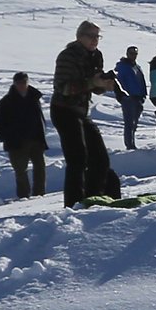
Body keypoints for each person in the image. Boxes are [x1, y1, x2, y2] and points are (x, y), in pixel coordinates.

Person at [52, 21, 120, 207]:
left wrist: (103, 85)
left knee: (100, 158)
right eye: (90, 36)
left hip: (81, 111)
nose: (94, 40)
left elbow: (94, 86)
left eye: (97, 36)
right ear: (79, 36)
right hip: (63, 109)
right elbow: (64, 88)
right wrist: (93, 83)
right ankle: (73, 204)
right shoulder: (68, 56)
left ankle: (94, 198)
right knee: (77, 159)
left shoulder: (96, 56)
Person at [0, 73, 48, 198]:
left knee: (40, 167)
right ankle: (24, 196)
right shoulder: (7, 101)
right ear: (14, 83)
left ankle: (39, 193)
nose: (21, 85)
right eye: (19, 83)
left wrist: (41, 134)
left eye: (23, 82)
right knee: (20, 170)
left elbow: (39, 118)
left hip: (36, 138)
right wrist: (6, 137)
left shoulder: (34, 97)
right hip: (16, 142)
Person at [114, 46, 147, 150]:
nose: (133, 55)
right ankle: (130, 145)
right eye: (131, 53)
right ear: (127, 53)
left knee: (134, 123)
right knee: (129, 122)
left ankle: (132, 143)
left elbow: (142, 81)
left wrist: (143, 94)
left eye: (135, 53)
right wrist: (121, 94)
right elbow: (118, 81)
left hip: (138, 97)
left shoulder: (137, 67)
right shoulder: (123, 66)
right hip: (129, 98)